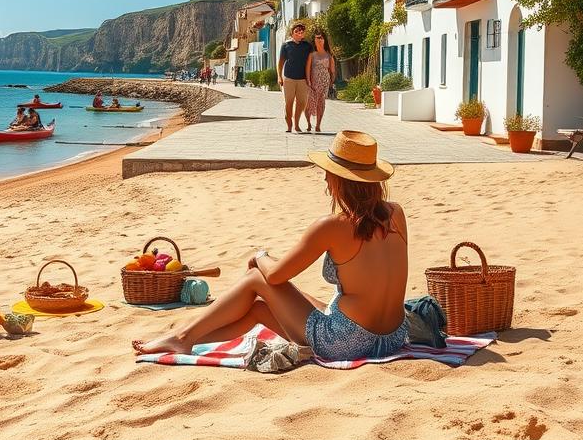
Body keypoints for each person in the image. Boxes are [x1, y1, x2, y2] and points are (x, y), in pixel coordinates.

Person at [133, 131, 409, 363]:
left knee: (257, 277)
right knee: (259, 309)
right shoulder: (396, 214)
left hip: (346, 341)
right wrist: (269, 263)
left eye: (328, 173)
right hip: (393, 337)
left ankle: (181, 337)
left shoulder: (332, 226)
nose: (325, 179)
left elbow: (276, 276)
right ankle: (186, 340)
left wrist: (260, 256)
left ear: (339, 180)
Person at [278, 23, 313, 133]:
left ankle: (297, 123)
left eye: (302, 32)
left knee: (302, 102)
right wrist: (279, 76)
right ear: (292, 33)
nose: (299, 34)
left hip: (302, 79)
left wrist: (310, 77)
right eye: (297, 31)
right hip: (289, 79)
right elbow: (281, 62)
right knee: (289, 102)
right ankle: (289, 125)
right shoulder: (286, 45)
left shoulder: (308, 46)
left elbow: (310, 62)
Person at [305, 29, 336, 133]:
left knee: (321, 103)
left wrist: (331, 82)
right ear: (314, 40)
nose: (319, 40)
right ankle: (309, 123)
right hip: (312, 83)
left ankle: (318, 125)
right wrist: (308, 81)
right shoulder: (312, 55)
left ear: (324, 40)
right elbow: (308, 69)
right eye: (317, 38)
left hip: (324, 82)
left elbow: (332, 71)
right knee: (309, 104)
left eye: (321, 38)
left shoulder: (329, 56)